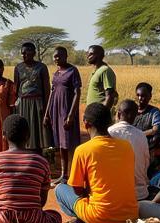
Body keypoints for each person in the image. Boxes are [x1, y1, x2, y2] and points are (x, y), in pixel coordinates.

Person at [55, 103, 138, 223]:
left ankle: (85, 221)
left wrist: (87, 194)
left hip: (99, 216)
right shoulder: (126, 146)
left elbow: (76, 188)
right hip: (129, 216)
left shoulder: (83, 150)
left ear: (86, 124)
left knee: (59, 189)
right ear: (110, 122)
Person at [44, 46, 82, 184]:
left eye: (59, 56)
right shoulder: (56, 73)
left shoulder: (72, 71)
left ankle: (74, 173)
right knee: (60, 143)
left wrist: (71, 114)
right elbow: (52, 93)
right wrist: (47, 113)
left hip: (66, 110)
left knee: (69, 142)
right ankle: (63, 174)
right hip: (55, 110)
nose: (56, 59)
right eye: (55, 56)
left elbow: (78, 93)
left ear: (66, 56)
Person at [109, 99, 151, 200]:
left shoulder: (109, 132)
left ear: (118, 115)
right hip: (141, 194)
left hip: (116, 196)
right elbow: (146, 163)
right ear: (135, 117)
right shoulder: (141, 135)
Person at [14, 43, 51, 157]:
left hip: (37, 102)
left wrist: (46, 109)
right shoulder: (18, 68)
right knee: (23, 129)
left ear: (33, 53)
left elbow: (46, 89)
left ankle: (38, 157)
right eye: (22, 52)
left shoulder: (41, 67)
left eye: (26, 52)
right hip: (23, 103)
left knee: (37, 131)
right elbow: (16, 88)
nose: (23, 54)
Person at [85, 45, 118, 114]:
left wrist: (102, 114)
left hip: (99, 115)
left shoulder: (105, 70)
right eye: (87, 53)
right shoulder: (97, 70)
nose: (88, 56)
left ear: (99, 55)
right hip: (93, 114)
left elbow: (110, 96)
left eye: (91, 54)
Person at [133, 83, 160, 151]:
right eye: (138, 95)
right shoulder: (130, 110)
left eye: (143, 96)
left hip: (148, 147)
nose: (139, 98)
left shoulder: (154, 112)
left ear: (150, 96)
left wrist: (137, 135)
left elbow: (157, 129)